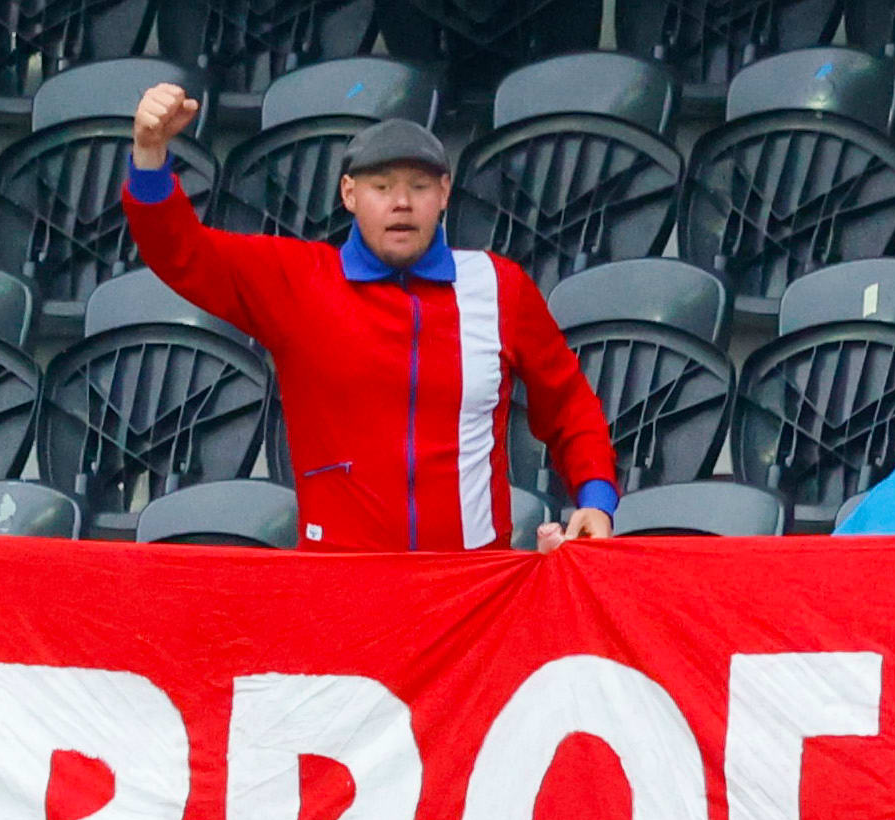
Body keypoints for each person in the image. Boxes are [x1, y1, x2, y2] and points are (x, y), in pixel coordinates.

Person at [117, 96, 622, 551]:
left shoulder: (499, 285)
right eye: (382, 187)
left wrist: (596, 498)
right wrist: (150, 154)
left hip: (471, 581)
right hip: (340, 583)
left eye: (419, 187)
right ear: (349, 193)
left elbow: (568, 403)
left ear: (445, 193)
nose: (401, 202)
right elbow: (181, 251)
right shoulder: (297, 280)